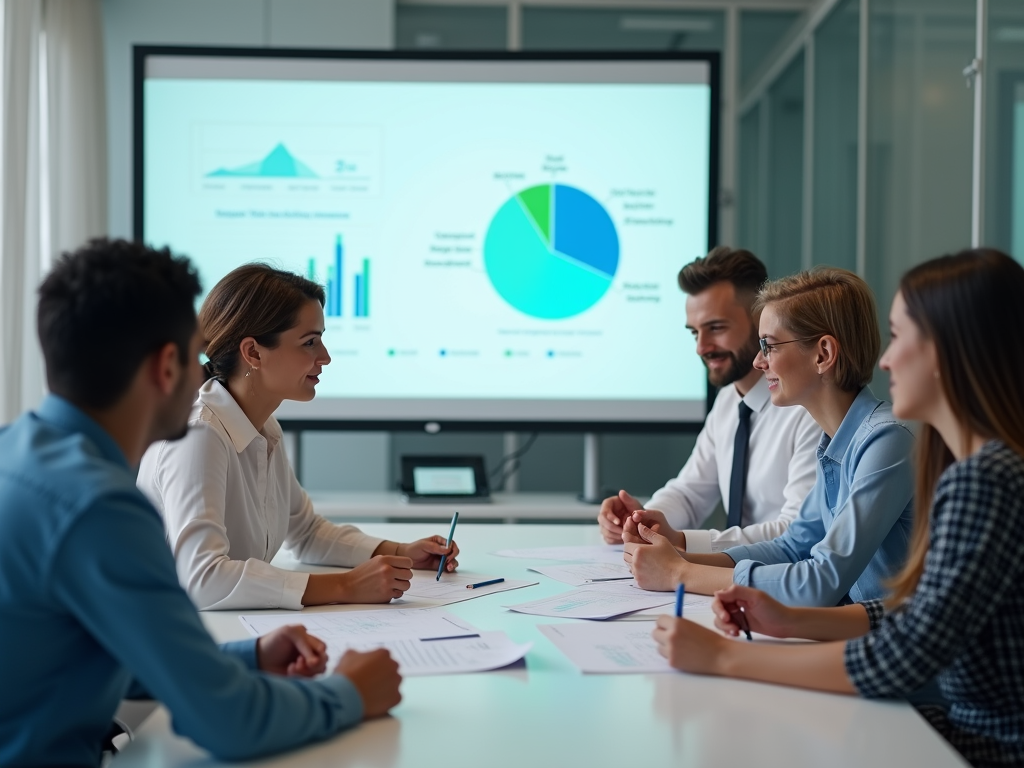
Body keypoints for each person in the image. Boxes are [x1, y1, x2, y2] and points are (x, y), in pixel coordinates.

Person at [0, 239, 402, 766]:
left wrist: (249, 655)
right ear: (169, 365)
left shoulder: (17, 454)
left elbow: (113, 648)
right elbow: (226, 721)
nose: (205, 375)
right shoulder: (99, 509)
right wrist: (348, 693)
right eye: (197, 356)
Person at [652, 249, 1024, 768]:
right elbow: (913, 612)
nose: (887, 359)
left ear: (948, 352)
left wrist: (725, 656)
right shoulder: (972, 465)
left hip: (979, 740)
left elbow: (904, 654)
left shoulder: (981, 479)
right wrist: (788, 620)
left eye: (900, 337)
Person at [137, 264, 459, 610]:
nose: (325, 357)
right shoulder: (199, 435)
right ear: (254, 353)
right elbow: (203, 579)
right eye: (310, 342)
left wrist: (400, 553)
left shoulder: (263, 426)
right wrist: (347, 586)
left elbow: (307, 534)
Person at [625, 267, 914, 606]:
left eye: (769, 346)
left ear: (823, 354)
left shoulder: (886, 440)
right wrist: (680, 558)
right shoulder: (835, 443)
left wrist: (680, 574)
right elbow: (791, 547)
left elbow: (823, 580)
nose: (759, 362)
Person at [598, 247, 819, 554]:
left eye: (716, 328)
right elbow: (690, 491)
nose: (702, 347)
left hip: (783, 581)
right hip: (734, 581)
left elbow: (797, 531)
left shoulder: (807, 408)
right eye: (694, 333)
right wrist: (643, 518)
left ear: (760, 322)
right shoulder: (729, 401)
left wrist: (686, 542)